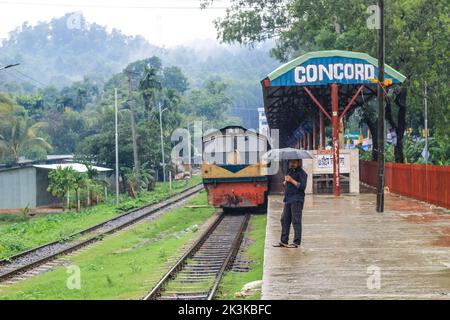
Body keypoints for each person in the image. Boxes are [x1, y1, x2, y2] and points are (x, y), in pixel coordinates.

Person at [273, 159, 307, 249]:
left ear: (299, 162)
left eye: (294, 162)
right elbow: (288, 184)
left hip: (297, 199)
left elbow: (302, 187)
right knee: (284, 219)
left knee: (296, 220)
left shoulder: (302, 173)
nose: (292, 164)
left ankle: (296, 242)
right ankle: (284, 241)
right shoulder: (290, 172)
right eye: (291, 162)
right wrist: (285, 182)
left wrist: (291, 180)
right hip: (288, 199)